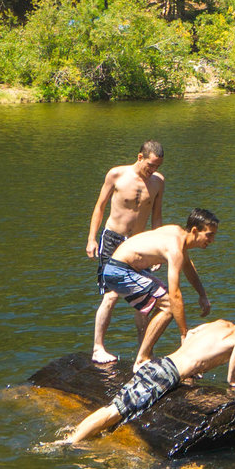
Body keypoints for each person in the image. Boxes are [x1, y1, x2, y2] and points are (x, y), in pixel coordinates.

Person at [60, 311, 235, 445]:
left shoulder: (220, 323)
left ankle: (75, 434)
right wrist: (231, 380)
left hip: (161, 364)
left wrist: (193, 363)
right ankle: (69, 443)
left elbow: (192, 333)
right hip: (167, 375)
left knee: (115, 408)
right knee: (115, 412)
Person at [85, 141, 167, 365]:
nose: (153, 170)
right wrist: (92, 239)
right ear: (140, 157)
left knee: (146, 299)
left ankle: (144, 352)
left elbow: (156, 217)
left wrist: (158, 249)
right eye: (150, 165)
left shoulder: (158, 182)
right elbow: (100, 206)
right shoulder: (117, 174)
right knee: (110, 296)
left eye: (157, 166)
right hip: (113, 239)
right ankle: (98, 348)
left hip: (139, 244)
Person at [113, 210, 220, 365]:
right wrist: (184, 334)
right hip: (119, 271)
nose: (212, 240)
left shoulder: (176, 232)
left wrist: (202, 294)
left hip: (127, 269)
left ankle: (145, 354)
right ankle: (142, 358)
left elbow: (188, 267)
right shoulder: (176, 249)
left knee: (159, 300)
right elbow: (175, 294)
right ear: (195, 231)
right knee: (169, 305)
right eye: (209, 235)